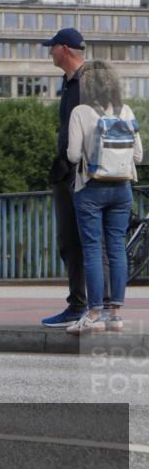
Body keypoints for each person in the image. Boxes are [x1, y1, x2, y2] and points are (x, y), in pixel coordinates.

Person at [65, 61, 143, 335]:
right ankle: (115, 315)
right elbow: (138, 156)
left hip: (91, 188)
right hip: (122, 189)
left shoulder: (80, 112)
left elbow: (73, 155)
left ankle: (94, 314)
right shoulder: (126, 111)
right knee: (117, 249)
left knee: (93, 250)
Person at [41, 28, 95, 328]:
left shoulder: (87, 82)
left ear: (64, 49)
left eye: (52, 47)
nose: (49, 52)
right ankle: (79, 305)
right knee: (69, 241)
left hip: (83, 172)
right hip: (67, 170)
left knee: (87, 241)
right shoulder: (68, 81)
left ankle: (92, 307)